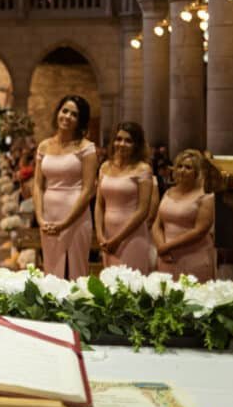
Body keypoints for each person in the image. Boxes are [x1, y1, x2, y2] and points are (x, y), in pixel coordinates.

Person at [33, 95, 96, 279]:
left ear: (80, 120)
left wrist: (66, 223)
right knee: (52, 270)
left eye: (74, 114)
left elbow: (88, 189)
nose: (67, 116)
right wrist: (40, 218)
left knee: (74, 271)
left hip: (75, 217)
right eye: (64, 111)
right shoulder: (44, 146)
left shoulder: (87, 148)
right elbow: (38, 185)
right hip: (48, 215)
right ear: (58, 112)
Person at [95, 122, 154, 273]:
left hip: (132, 236)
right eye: (118, 139)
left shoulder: (143, 169)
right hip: (108, 235)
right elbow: (100, 204)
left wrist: (118, 239)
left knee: (131, 286)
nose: (122, 144)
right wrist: (100, 235)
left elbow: (143, 210)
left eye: (128, 141)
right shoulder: (105, 167)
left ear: (137, 145)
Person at [152, 149, 216, 281]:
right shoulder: (169, 191)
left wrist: (168, 246)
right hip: (166, 256)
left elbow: (199, 231)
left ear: (197, 172)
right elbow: (157, 224)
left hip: (193, 257)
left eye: (188, 167)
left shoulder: (206, 196)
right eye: (179, 166)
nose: (182, 170)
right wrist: (160, 246)